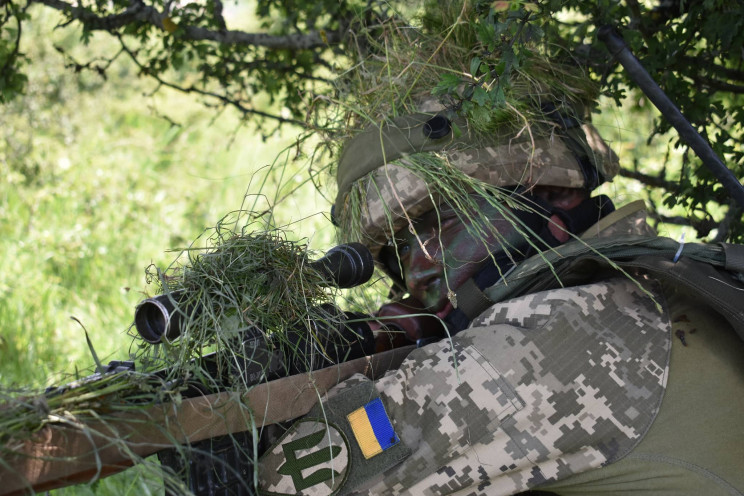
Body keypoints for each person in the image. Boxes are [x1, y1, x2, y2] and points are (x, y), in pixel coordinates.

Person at [256, 97, 744, 495]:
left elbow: (279, 486)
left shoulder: (536, 345)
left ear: (554, 195)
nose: (421, 265)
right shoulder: (669, 273)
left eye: (440, 222)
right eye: (397, 255)